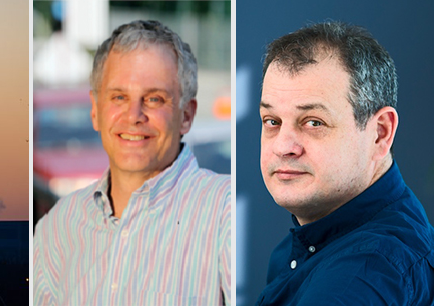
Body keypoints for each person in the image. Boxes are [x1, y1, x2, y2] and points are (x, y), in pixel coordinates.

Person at [32, 20, 231, 305]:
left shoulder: (225, 213)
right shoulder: (57, 228)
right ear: (96, 111)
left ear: (186, 115)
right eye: (119, 97)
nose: (134, 115)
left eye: (154, 99)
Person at [257, 22, 434, 305]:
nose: (282, 146)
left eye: (314, 122)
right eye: (272, 122)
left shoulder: (358, 279)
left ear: (380, 133)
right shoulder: (311, 242)